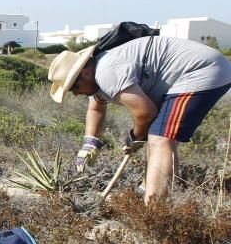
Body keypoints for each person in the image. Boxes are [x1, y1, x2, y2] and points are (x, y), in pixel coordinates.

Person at [49, 36, 231, 203]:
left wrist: (134, 137)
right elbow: (96, 107)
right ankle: (153, 191)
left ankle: (156, 210)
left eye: (73, 86)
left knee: (160, 138)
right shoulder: (96, 78)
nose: (75, 93)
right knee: (157, 135)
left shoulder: (106, 73)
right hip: (191, 73)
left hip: (201, 70)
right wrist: (89, 143)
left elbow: (146, 112)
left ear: (86, 73)